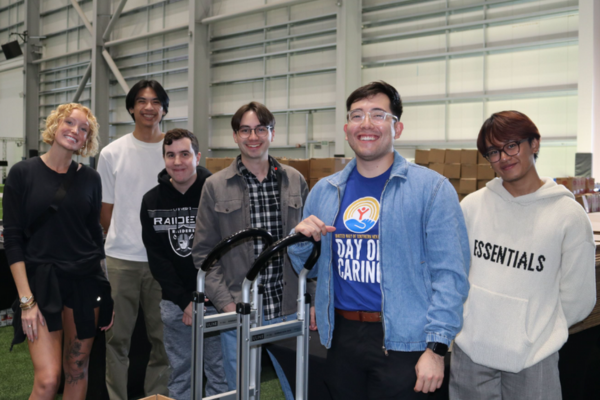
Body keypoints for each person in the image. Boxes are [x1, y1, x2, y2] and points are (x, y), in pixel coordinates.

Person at [288, 81, 471, 399]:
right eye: (357, 115)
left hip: (407, 342)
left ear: (396, 128)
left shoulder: (432, 190)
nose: (366, 124)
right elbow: (310, 268)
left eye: (378, 114)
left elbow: (451, 277)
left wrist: (437, 348)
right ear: (347, 129)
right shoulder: (325, 191)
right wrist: (300, 239)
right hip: (343, 338)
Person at [449, 111, 596, 400]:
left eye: (512, 145)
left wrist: (535, 330)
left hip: (534, 357)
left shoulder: (568, 215)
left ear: (535, 144)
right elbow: (455, 276)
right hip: (470, 352)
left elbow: (579, 297)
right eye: (493, 151)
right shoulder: (472, 207)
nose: (504, 156)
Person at [192, 101, 314, 399]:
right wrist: (227, 305)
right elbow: (204, 254)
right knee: (242, 391)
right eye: (245, 130)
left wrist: (310, 299)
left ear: (272, 133)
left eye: (261, 128)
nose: (253, 136)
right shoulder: (215, 186)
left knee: (298, 388)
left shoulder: (294, 179)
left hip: (288, 307)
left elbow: (311, 248)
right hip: (241, 309)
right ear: (235, 136)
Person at [3, 103, 113, 399]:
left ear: (87, 140)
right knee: (49, 380)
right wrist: (26, 302)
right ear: (55, 125)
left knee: (77, 370)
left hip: (85, 283)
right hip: (42, 285)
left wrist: (107, 290)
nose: (75, 131)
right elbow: (12, 240)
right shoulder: (22, 173)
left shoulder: (91, 178)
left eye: (84, 129)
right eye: (69, 122)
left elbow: (94, 235)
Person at [140, 128, 228, 399]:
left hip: (216, 302)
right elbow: (157, 259)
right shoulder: (151, 201)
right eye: (170, 155)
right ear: (164, 158)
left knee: (220, 374)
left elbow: (225, 252)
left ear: (197, 156)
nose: (177, 161)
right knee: (180, 374)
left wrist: (204, 298)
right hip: (175, 304)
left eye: (184, 154)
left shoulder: (217, 194)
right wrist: (185, 301)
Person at [97, 79, 170, 399]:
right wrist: (126, 237)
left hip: (164, 263)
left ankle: (158, 396)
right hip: (121, 261)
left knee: (164, 340)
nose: (149, 107)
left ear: (164, 108)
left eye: (155, 101)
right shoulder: (112, 153)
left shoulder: (176, 151)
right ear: (131, 107)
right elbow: (105, 210)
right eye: (141, 101)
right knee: (116, 340)